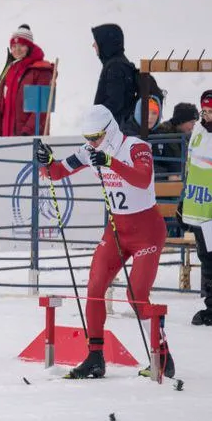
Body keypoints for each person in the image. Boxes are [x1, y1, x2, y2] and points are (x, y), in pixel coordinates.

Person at [36, 104, 172, 379]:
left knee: (136, 295)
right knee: (95, 286)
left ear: (109, 130)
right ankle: (95, 357)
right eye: (88, 138)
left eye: (96, 137)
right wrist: (46, 162)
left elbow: (143, 179)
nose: (92, 143)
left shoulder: (136, 147)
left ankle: (164, 357)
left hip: (147, 231)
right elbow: (58, 172)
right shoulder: (90, 151)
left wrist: (110, 162)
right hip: (117, 230)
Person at [0, 25, 54, 137]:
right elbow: (1, 105)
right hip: (7, 140)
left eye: (21, 45)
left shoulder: (40, 71)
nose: (17, 49)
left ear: (29, 47)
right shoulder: (9, 71)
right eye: (14, 46)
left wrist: (26, 133)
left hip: (29, 140)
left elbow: (41, 109)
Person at [178, 91, 212, 326]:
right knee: (206, 257)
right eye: (205, 111)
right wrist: (183, 202)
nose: (207, 116)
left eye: (211, 111)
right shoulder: (199, 131)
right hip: (200, 207)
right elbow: (191, 167)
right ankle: (210, 305)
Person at [91, 23, 138, 128]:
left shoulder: (115, 67)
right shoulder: (117, 64)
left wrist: (96, 118)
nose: (93, 45)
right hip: (115, 128)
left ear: (105, 43)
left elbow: (115, 103)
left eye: (96, 41)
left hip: (114, 131)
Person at [151, 102, 197, 179]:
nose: (193, 126)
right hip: (165, 186)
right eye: (191, 122)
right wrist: (167, 175)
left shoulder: (188, 138)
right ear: (181, 121)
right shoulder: (160, 136)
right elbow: (152, 164)